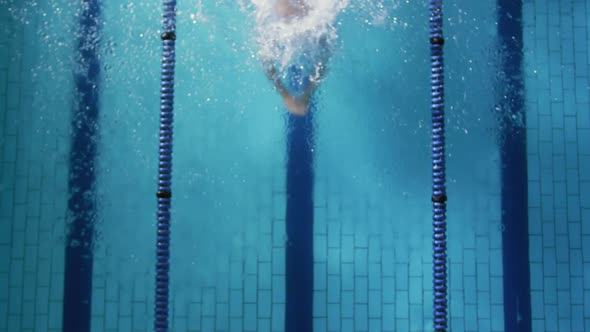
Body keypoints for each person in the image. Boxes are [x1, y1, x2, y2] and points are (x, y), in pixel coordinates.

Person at [264, 0, 329, 116]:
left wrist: (302, 95)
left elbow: (324, 60)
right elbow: (266, 62)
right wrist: (286, 95)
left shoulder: (315, 22)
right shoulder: (276, 24)